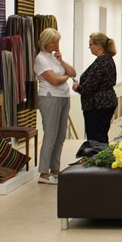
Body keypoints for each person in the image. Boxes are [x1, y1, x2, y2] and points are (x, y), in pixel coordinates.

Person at [34, 28, 76, 185]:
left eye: (58, 41)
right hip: (49, 97)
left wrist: (62, 61)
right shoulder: (40, 59)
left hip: (64, 97)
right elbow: (55, 81)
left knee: (60, 136)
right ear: (45, 42)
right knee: (50, 135)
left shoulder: (55, 58)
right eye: (53, 42)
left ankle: (55, 170)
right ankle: (43, 173)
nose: (56, 44)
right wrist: (66, 76)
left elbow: (73, 72)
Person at [72, 32, 117, 145]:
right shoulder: (107, 59)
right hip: (105, 103)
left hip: (98, 105)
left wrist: (78, 87)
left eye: (91, 44)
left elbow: (90, 86)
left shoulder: (101, 62)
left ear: (98, 45)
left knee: (96, 140)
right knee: (101, 136)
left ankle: (97, 156)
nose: (89, 47)